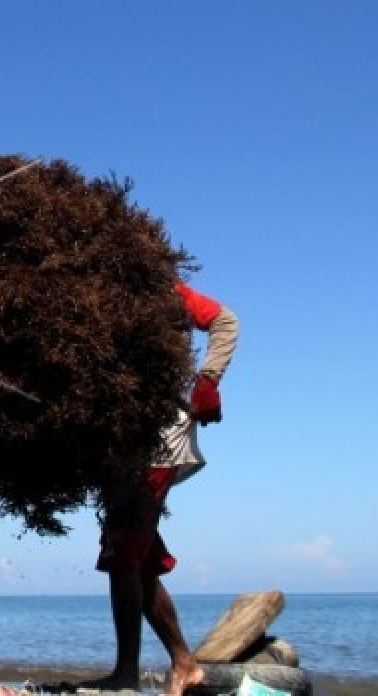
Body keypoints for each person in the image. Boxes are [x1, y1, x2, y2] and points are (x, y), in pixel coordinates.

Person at [91, 282, 240, 695]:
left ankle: (128, 672)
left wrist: (207, 380)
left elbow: (225, 321)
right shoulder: (89, 293)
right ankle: (184, 665)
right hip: (122, 437)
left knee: (125, 552)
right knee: (136, 556)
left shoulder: (158, 284)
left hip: (159, 435)